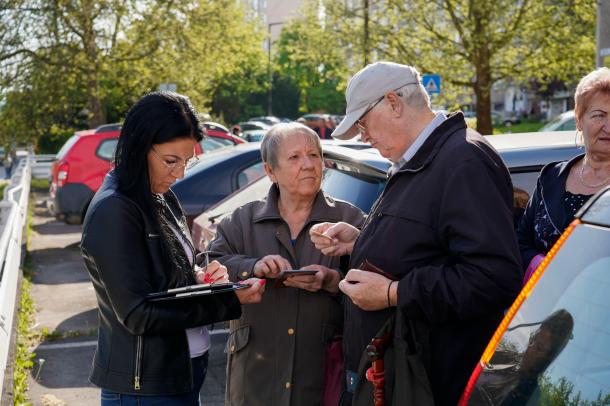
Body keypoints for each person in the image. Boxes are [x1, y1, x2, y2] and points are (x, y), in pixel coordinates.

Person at [310, 61, 523, 406]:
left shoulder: (463, 160)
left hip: (429, 382)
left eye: (363, 123)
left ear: (393, 102)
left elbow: (493, 278)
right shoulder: (423, 156)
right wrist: (360, 238)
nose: (364, 136)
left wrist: (395, 292)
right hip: (401, 375)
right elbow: (425, 239)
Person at [80, 92, 265, 405]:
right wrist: (226, 301)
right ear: (139, 148)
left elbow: (168, 274)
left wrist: (201, 277)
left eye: (187, 161)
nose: (179, 173)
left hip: (182, 372)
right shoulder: (114, 210)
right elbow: (138, 314)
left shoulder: (161, 196)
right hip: (146, 387)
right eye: (170, 161)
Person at [208, 122, 365, 406]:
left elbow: (374, 288)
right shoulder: (242, 221)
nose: (307, 165)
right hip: (255, 382)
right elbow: (209, 267)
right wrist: (252, 267)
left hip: (321, 381)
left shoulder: (351, 220)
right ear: (270, 171)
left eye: (314, 155)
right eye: (294, 157)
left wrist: (331, 281)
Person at [517, 67, 610, 281]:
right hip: (547, 308)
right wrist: (540, 266)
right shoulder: (551, 177)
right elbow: (521, 240)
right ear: (579, 120)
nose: (608, 126)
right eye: (599, 115)